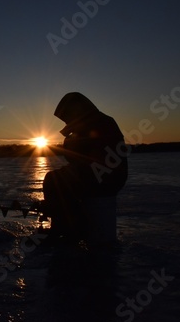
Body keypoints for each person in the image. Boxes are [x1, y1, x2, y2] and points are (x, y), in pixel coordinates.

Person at [42, 92, 128, 241]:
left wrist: (68, 139)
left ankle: (65, 226)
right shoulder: (100, 121)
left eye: (67, 117)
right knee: (61, 181)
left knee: (53, 179)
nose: (66, 121)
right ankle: (69, 222)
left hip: (101, 176)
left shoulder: (91, 124)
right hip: (108, 175)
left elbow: (73, 155)